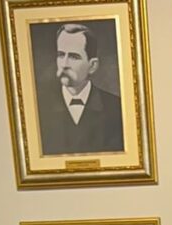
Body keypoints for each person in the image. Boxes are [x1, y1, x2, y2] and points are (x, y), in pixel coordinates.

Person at [35, 22, 124, 156]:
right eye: (61, 55)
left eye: (73, 57)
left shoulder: (117, 108)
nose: (64, 64)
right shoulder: (38, 107)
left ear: (92, 65)